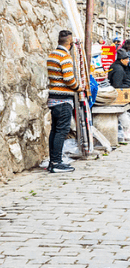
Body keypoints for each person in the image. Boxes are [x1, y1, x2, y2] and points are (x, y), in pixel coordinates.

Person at [46, 30, 79, 173]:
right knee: (61, 131)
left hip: (53, 98)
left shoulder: (52, 55)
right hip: (63, 99)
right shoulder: (65, 57)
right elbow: (69, 79)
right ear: (70, 44)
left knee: (54, 131)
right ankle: (57, 163)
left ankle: (52, 161)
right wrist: (79, 87)